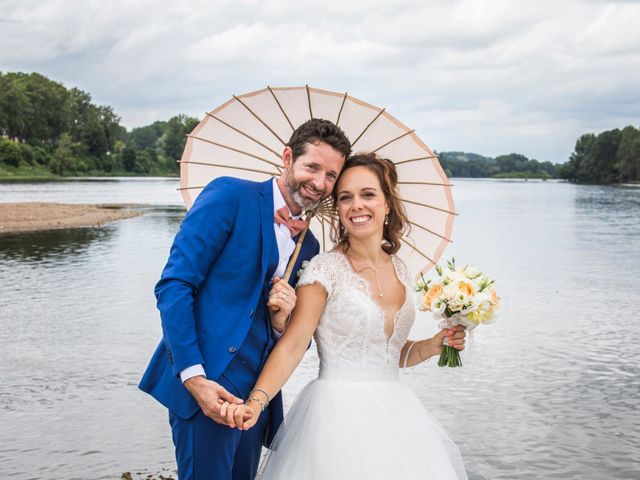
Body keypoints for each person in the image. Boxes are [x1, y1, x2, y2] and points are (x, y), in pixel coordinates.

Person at [226, 152, 468, 479]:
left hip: (396, 415)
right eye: (345, 197)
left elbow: (389, 352)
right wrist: (256, 402)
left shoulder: (401, 269)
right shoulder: (324, 270)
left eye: (368, 194)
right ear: (337, 209)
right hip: (335, 417)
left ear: (387, 203)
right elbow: (293, 345)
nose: (356, 205)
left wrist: (434, 344)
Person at [138, 118, 352, 480]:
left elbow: (289, 337)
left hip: (257, 401)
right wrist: (194, 378)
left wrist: (283, 317)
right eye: (312, 167)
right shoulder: (229, 196)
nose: (319, 183)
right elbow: (174, 286)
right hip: (206, 385)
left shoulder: (311, 246)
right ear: (288, 157)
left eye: (331, 175)